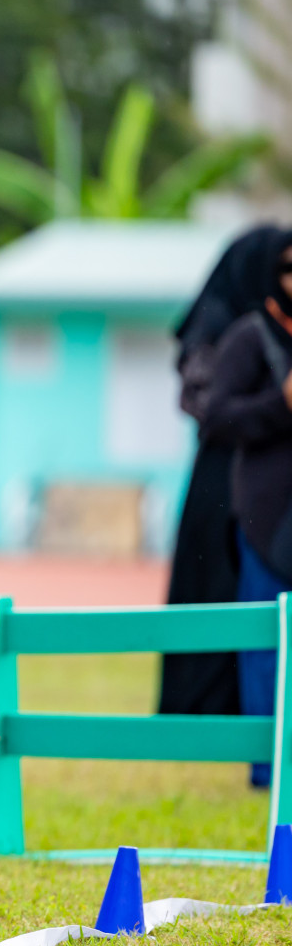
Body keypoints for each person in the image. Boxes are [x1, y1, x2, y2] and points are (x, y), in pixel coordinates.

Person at [163, 226, 292, 716]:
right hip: (225, 479)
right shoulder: (225, 323)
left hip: (265, 476)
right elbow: (203, 403)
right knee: (220, 595)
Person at [200, 257, 292, 787]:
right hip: (268, 516)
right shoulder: (253, 335)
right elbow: (218, 415)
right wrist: (281, 404)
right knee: (264, 640)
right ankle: (266, 765)